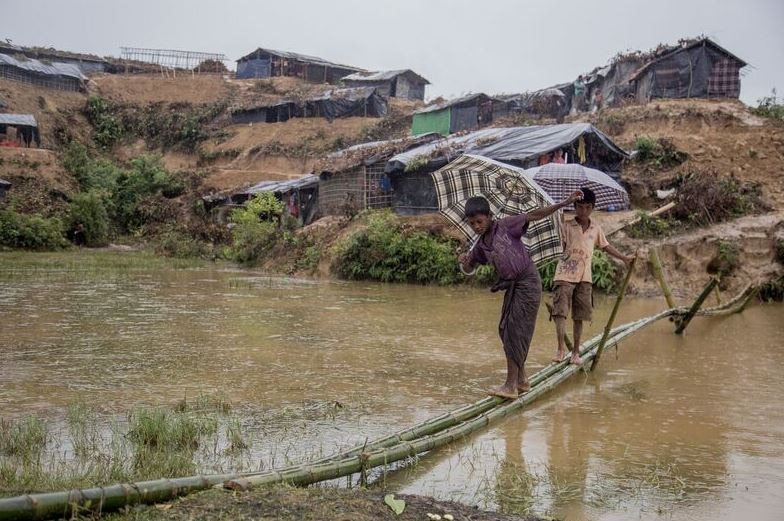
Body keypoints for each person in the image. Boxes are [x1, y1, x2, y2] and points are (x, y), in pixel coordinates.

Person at [459, 190, 584, 400]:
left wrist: (564, 202)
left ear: (490, 217)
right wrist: (464, 261)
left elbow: (534, 215)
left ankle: (510, 385)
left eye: (480, 221)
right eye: (472, 224)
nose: (477, 227)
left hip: (527, 282)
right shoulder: (480, 245)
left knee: (516, 331)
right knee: (505, 330)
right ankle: (522, 379)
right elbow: (470, 267)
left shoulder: (506, 225)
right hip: (512, 287)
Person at [551, 187, 634, 365]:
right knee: (560, 312)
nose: (584, 211)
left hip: (584, 277)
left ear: (593, 208)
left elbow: (606, 246)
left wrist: (624, 258)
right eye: (580, 207)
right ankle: (560, 348)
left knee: (580, 316)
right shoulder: (566, 225)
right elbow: (558, 240)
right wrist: (561, 208)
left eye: (588, 207)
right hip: (564, 273)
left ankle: (575, 352)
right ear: (575, 207)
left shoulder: (596, 228)